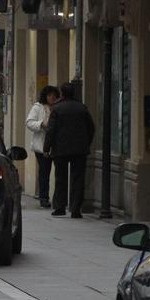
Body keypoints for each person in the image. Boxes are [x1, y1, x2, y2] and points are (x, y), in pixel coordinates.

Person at [44, 82, 95, 218]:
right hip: (80, 149)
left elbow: (51, 130)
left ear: (62, 93)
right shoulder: (82, 108)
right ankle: (75, 209)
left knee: (60, 178)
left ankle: (60, 207)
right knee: (78, 179)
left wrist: (46, 148)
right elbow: (91, 128)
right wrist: (86, 143)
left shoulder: (57, 108)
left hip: (60, 149)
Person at [26, 85, 60, 208]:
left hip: (56, 145)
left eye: (54, 95)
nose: (52, 97)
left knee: (59, 173)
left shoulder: (58, 108)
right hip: (41, 146)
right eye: (50, 95)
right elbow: (29, 122)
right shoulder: (38, 107)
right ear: (45, 96)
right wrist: (41, 124)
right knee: (44, 172)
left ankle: (58, 199)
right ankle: (44, 198)